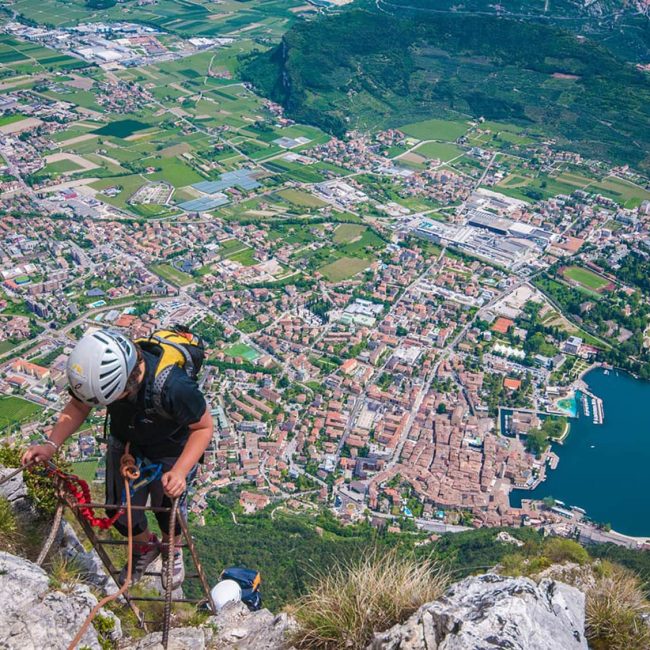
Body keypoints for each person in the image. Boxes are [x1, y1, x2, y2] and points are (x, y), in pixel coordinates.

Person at [22, 329, 213, 589]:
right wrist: (51, 445)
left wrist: (180, 471)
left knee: (168, 510)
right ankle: (145, 547)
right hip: (127, 443)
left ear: (129, 382)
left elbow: (202, 428)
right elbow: (79, 405)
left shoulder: (174, 387)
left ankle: (172, 550)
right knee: (118, 512)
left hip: (171, 448)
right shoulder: (100, 372)